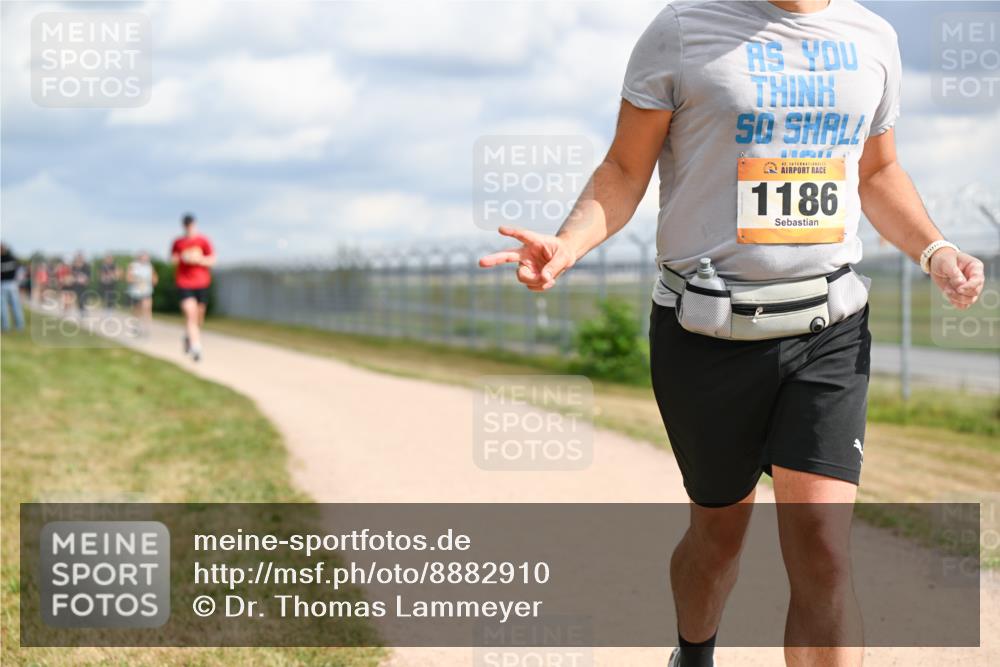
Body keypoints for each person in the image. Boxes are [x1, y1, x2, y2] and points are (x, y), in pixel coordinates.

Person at [478, 2, 986, 666]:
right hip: (706, 333)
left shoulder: (873, 38)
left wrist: (936, 249)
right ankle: (693, 653)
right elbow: (628, 169)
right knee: (717, 538)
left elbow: (878, 172)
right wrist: (570, 243)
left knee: (824, 549)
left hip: (827, 324)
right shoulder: (683, 31)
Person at [170, 213, 215, 361]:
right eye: (186, 225)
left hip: (202, 283)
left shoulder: (203, 240)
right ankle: (196, 347)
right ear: (183, 226)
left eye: (191, 225)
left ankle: (188, 336)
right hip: (185, 283)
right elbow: (173, 259)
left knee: (199, 316)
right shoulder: (178, 242)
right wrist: (183, 258)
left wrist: (199, 259)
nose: (189, 227)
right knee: (191, 314)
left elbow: (213, 260)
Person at [126, 251, 158, 335]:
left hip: (147, 291)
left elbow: (155, 278)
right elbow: (128, 278)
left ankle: (146, 328)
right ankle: (135, 326)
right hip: (136, 292)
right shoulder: (133, 266)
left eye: (146, 257)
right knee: (137, 310)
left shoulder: (149, 266)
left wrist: (152, 281)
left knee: (147, 308)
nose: (145, 259)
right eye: (143, 257)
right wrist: (138, 280)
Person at [0, 242, 25, 332]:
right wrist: (18, 282)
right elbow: (21, 271)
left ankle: (5, 327)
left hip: (3, 285)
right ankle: (19, 326)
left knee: (3, 307)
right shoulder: (13, 258)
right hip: (13, 284)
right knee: (16, 306)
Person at [69, 252, 92, 316]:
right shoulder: (74, 267)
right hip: (76, 285)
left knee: (85, 297)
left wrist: (87, 280)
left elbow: (89, 275)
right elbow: (72, 275)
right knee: (79, 297)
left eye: (80, 258)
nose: (79, 259)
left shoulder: (86, 266)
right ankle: (81, 310)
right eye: (78, 258)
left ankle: (84, 309)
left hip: (84, 284)